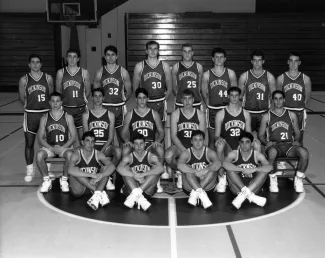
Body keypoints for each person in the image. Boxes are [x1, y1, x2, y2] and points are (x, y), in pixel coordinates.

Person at [258, 90, 309, 193]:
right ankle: (273, 179)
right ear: (272, 100)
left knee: (304, 153)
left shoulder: (291, 115)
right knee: (272, 153)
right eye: (275, 99)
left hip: (289, 146)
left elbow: (298, 132)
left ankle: (298, 179)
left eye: (280, 98)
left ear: (284, 100)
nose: (278, 101)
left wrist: (296, 140)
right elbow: (260, 135)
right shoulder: (267, 116)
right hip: (275, 145)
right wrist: (266, 143)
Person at [18, 54, 54, 182]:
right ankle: (30, 170)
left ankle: (48, 169)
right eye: (33, 62)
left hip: (45, 114)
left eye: (38, 62)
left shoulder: (48, 78)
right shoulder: (24, 80)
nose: (35, 64)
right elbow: (22, 98)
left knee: (47, 144)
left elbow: (51, 95)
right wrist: (31, 107)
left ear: (41, 64)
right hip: (31, 115)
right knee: (29, 143)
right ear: (29, 64)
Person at [36, 92, 77, 193]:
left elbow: (74, 137)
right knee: (39, 156)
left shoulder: (68, 117)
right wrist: (50, 148)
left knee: (71, 155)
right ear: (49, 102)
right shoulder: (44, 118)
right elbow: (40, 138)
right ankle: (46, 181)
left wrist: (63, 148)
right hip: (50, 147)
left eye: (57, 101)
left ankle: (64, 180)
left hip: (64, 147)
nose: (55, 104)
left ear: (61, 102)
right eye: (53, 101)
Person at [165, 89, 206, 188]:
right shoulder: (175, 114)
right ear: (181, 100)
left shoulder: (200, 114)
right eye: (185, 99)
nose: (187, 102)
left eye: (189, 99)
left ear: (193, 100)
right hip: (180, 146)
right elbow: (173, 136)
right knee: (168, 157)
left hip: (195, 146)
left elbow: (201, 136)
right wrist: (184, 150)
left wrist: (192, 150)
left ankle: (190, 172)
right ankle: (180, 171)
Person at [214, 86, 252, 193]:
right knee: (219, 145)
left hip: (241, 143)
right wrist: (219, 139)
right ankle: (221, 178)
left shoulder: (245, 113)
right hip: (228, 144)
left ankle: (252, 174)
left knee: (256, 145)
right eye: (232, 95)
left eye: (236, 95)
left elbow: (248, 134)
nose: (234, 98)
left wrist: (245, 144)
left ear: (240, 97)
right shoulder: (221, 113)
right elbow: (216, 135)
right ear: (228, 96)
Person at [82, 88, 121, 191]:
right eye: (95, 96)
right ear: (92, 98)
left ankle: (106, 175)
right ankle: (103, 177)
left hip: (106, 145)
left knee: (118, 152)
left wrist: (102, 151)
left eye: (100, 96)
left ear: (103, 98)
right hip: (91, 146)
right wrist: (94, 151)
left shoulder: (110, 115)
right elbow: (86, 136)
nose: (98, 98)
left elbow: (111, 137)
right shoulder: (86, 115)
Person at [93, 45, 132, 145]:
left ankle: (124, 158)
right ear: (105, 57)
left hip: (119, 108)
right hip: (105, 107)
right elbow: (96, 92)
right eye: (108, 55)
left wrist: (123, 101)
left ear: (117, 56)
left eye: (113, 55)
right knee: (105, 138)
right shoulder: (100, 73)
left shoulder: (123, 72)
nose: (110, 57)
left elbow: (129, 91)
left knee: (123, 137)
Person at [223, 132, 272, 209]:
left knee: (264, 172)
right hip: (237, 188)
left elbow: (269, 167)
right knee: (230, 170)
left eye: (247, 142)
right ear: (239, 143)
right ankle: (248, 195)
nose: (244, 145)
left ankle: (244, 195)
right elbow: (224, 164)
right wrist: (242, 169)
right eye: (242, 142)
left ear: (252, 143)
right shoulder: (234, 153)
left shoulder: (257, 155)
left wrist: (254, 169)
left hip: (253, 188)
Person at [68, 131, 116, 211]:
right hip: (80, 187)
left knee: (105, 170)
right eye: (87, 141)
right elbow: (70, 170)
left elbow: (112, 166)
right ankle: (100, 192)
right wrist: (92, 175)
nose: (90, 144)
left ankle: (96, 195)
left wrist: (100, 176)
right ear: (82, 142)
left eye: (92, 142)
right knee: (76, 170)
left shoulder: (98, 154)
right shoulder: (77, 153)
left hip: (93, 182)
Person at [201, 47, 237, 149]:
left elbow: (235, 92)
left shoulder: (231, 73)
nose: (219, 60)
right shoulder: (206, 75)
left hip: (227, 109)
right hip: (213, 110)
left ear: (225, 59)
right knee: (213, 139)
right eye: (216, 57)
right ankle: (212, 162)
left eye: (221, 57)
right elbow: (204, 93)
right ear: (212, 59)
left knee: (229, 139)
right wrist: (209, 105)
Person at [117, 133, 164, 211]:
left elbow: (161, 169)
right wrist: (135, 176)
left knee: (156, 168)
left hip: (146, 188)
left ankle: (136, 194)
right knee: (125, 167)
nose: (139, 146)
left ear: (145, 144)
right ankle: (139, 197)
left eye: (141, 143)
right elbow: (119, 168)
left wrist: (143, 174)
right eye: (136, 144)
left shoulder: (151, 156)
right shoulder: (128, 157)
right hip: (131, 187)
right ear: (133, 145)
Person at [177, 130, 221, 209]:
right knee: (187, 168)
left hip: (207, 187)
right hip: (190, 187)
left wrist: (206, 169)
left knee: (212, 167)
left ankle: (195, 194)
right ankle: (203, 197)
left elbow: (218, 164)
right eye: (195, 140)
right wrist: (195, 171)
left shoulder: (209, 152)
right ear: (191, 141)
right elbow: (179, 165)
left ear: (204, 141)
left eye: (200, 140)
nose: (198, 142)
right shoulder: (186, 152)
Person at [132, 40, 172, 124]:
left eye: (155, 49)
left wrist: (164, 100)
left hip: (160, 102)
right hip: (146, 102)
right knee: (146, 129)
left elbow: (169, 87)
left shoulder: (165, 66)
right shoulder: (139, 66)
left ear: (158, 51)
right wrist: (140, 101)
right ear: (146, 51)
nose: (153, 51)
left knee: (161, 130)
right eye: (150, 49)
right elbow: (135, 88)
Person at [56, 48, 91, 141]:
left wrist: (81, 100)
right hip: (66, 109)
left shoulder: (84, 72)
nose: (72, 59)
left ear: (78, 59)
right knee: (66, 138)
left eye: (74, 57)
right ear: (66, 58)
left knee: (82, 138)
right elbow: (58, 91)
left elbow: (88, 91)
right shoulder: (61, 73)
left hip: (80, 109)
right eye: (70, 57)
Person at [277, 52, 312, 145]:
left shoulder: (306, 79)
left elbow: (307, 95)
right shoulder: (281, 78)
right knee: (283, 134)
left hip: (299, 111)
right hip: (285, 111)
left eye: (296, 61)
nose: (293, 64)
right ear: (287, 62)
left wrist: (301, 104)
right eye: (291, 61)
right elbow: (278, 97)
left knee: (299, 136)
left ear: (299, 62)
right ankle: (284, 156)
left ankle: (298, 156)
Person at [238, 50, 276, 133]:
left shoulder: (270, 77)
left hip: (264, 113)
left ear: (263, 61)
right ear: (251, 61)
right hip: (248, 113)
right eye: (255, 60)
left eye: (259, 60)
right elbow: (239, 96)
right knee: (247, 140)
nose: (257, 63)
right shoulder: (244, 76)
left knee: (263, 140)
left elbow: (274, 97)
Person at [172, 43, 204, 109]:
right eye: (185, 51)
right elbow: (174, 88)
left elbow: (199, 87)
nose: (187, 54)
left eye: (189, 51)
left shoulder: (199, 67)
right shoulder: (176, 67)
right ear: (181, 53)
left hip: (195, 102)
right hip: (181, 103)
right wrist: (181, 97)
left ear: (192, 53)